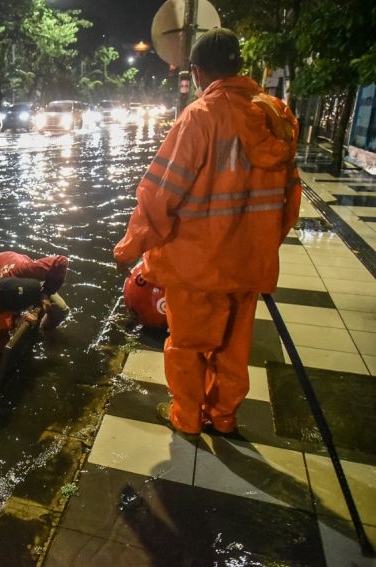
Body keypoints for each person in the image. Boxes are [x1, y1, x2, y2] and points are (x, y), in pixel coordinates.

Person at [113, 28, 301, 438]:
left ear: (197, 72)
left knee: (188, 346)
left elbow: (160, 193)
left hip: (198, 266)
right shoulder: (277, 118)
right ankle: (224, 416)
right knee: (233, 350)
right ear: (239, 66)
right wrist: (264, 245)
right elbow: (290, 198)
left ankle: (187, 417)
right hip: (250, 263)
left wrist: (131, 245)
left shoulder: (200, 118)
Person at [0, 251, 70, 331]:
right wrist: (15, 321)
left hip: (12, 262)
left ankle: (44, 329)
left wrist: (46, 292)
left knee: (62, 309)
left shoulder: (28, 269)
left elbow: (62, 261)